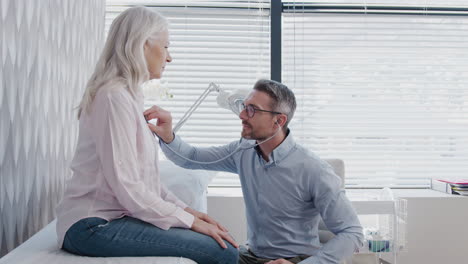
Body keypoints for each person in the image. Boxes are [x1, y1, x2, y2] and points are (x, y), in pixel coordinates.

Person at [55, 6, 238, 264]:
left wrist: (190, 213)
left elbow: (147, 184)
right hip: (91, 226)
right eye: (165, 47)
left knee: (221, 242)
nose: (169, 57)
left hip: (110, 219)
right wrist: (188, 221)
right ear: (142, 45)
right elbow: (128, 186)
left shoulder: (128, 96)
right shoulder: (113, 97)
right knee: (223, 253)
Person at [145, 79, 364, 264]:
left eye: (251, 110)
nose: (241, 115)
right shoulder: (243, 151)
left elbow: (352, 233)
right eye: (243, 106)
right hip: (250, 256)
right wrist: (168, 136)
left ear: (278, 120)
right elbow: (191, 157)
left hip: (295, 259)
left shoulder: (314, 170)